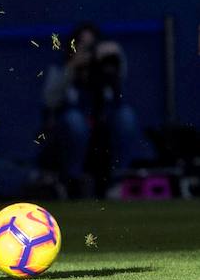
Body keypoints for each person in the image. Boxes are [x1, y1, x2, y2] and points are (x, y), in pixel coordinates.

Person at [41, 24, 153, 197]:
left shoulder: (106, 67)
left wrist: (114, 54)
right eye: (82, 46)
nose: (88, 52)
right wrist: (72, 67)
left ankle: (118, 180)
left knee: (126, 116)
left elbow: (121, 76)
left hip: (103, 125)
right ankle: (73, 181)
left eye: (91, 46)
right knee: (74, 120)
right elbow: (49, 100)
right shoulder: (62, 67)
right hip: (70, 129)